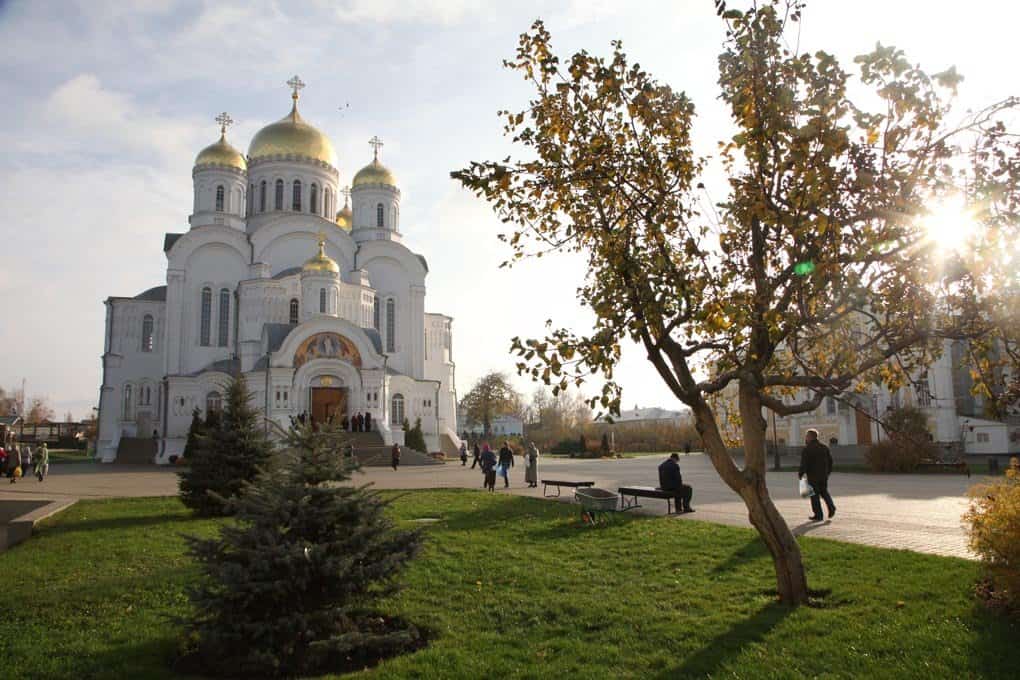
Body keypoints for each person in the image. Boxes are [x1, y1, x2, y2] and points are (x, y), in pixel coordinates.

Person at [799, 429, 835, 521]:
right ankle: (831, 507)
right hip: (823, 475)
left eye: (807, 436)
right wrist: (828, 472)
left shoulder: (807, 449)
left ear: (810, 437)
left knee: (814, 496)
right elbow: (830, 461)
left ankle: (818, 515)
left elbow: (804, 464)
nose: (806, 438)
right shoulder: (824, 447)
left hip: (812, 476)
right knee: (824, 492)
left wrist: (801, 474)